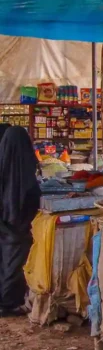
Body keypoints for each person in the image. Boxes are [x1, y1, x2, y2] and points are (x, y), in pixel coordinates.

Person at [0, 126, 40, 317]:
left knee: (5, 259)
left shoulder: (4, 160)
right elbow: (29, 193)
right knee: (15, 261)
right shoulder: (24, 166)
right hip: (18, 222)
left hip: (5, 220)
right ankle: (9, 303)